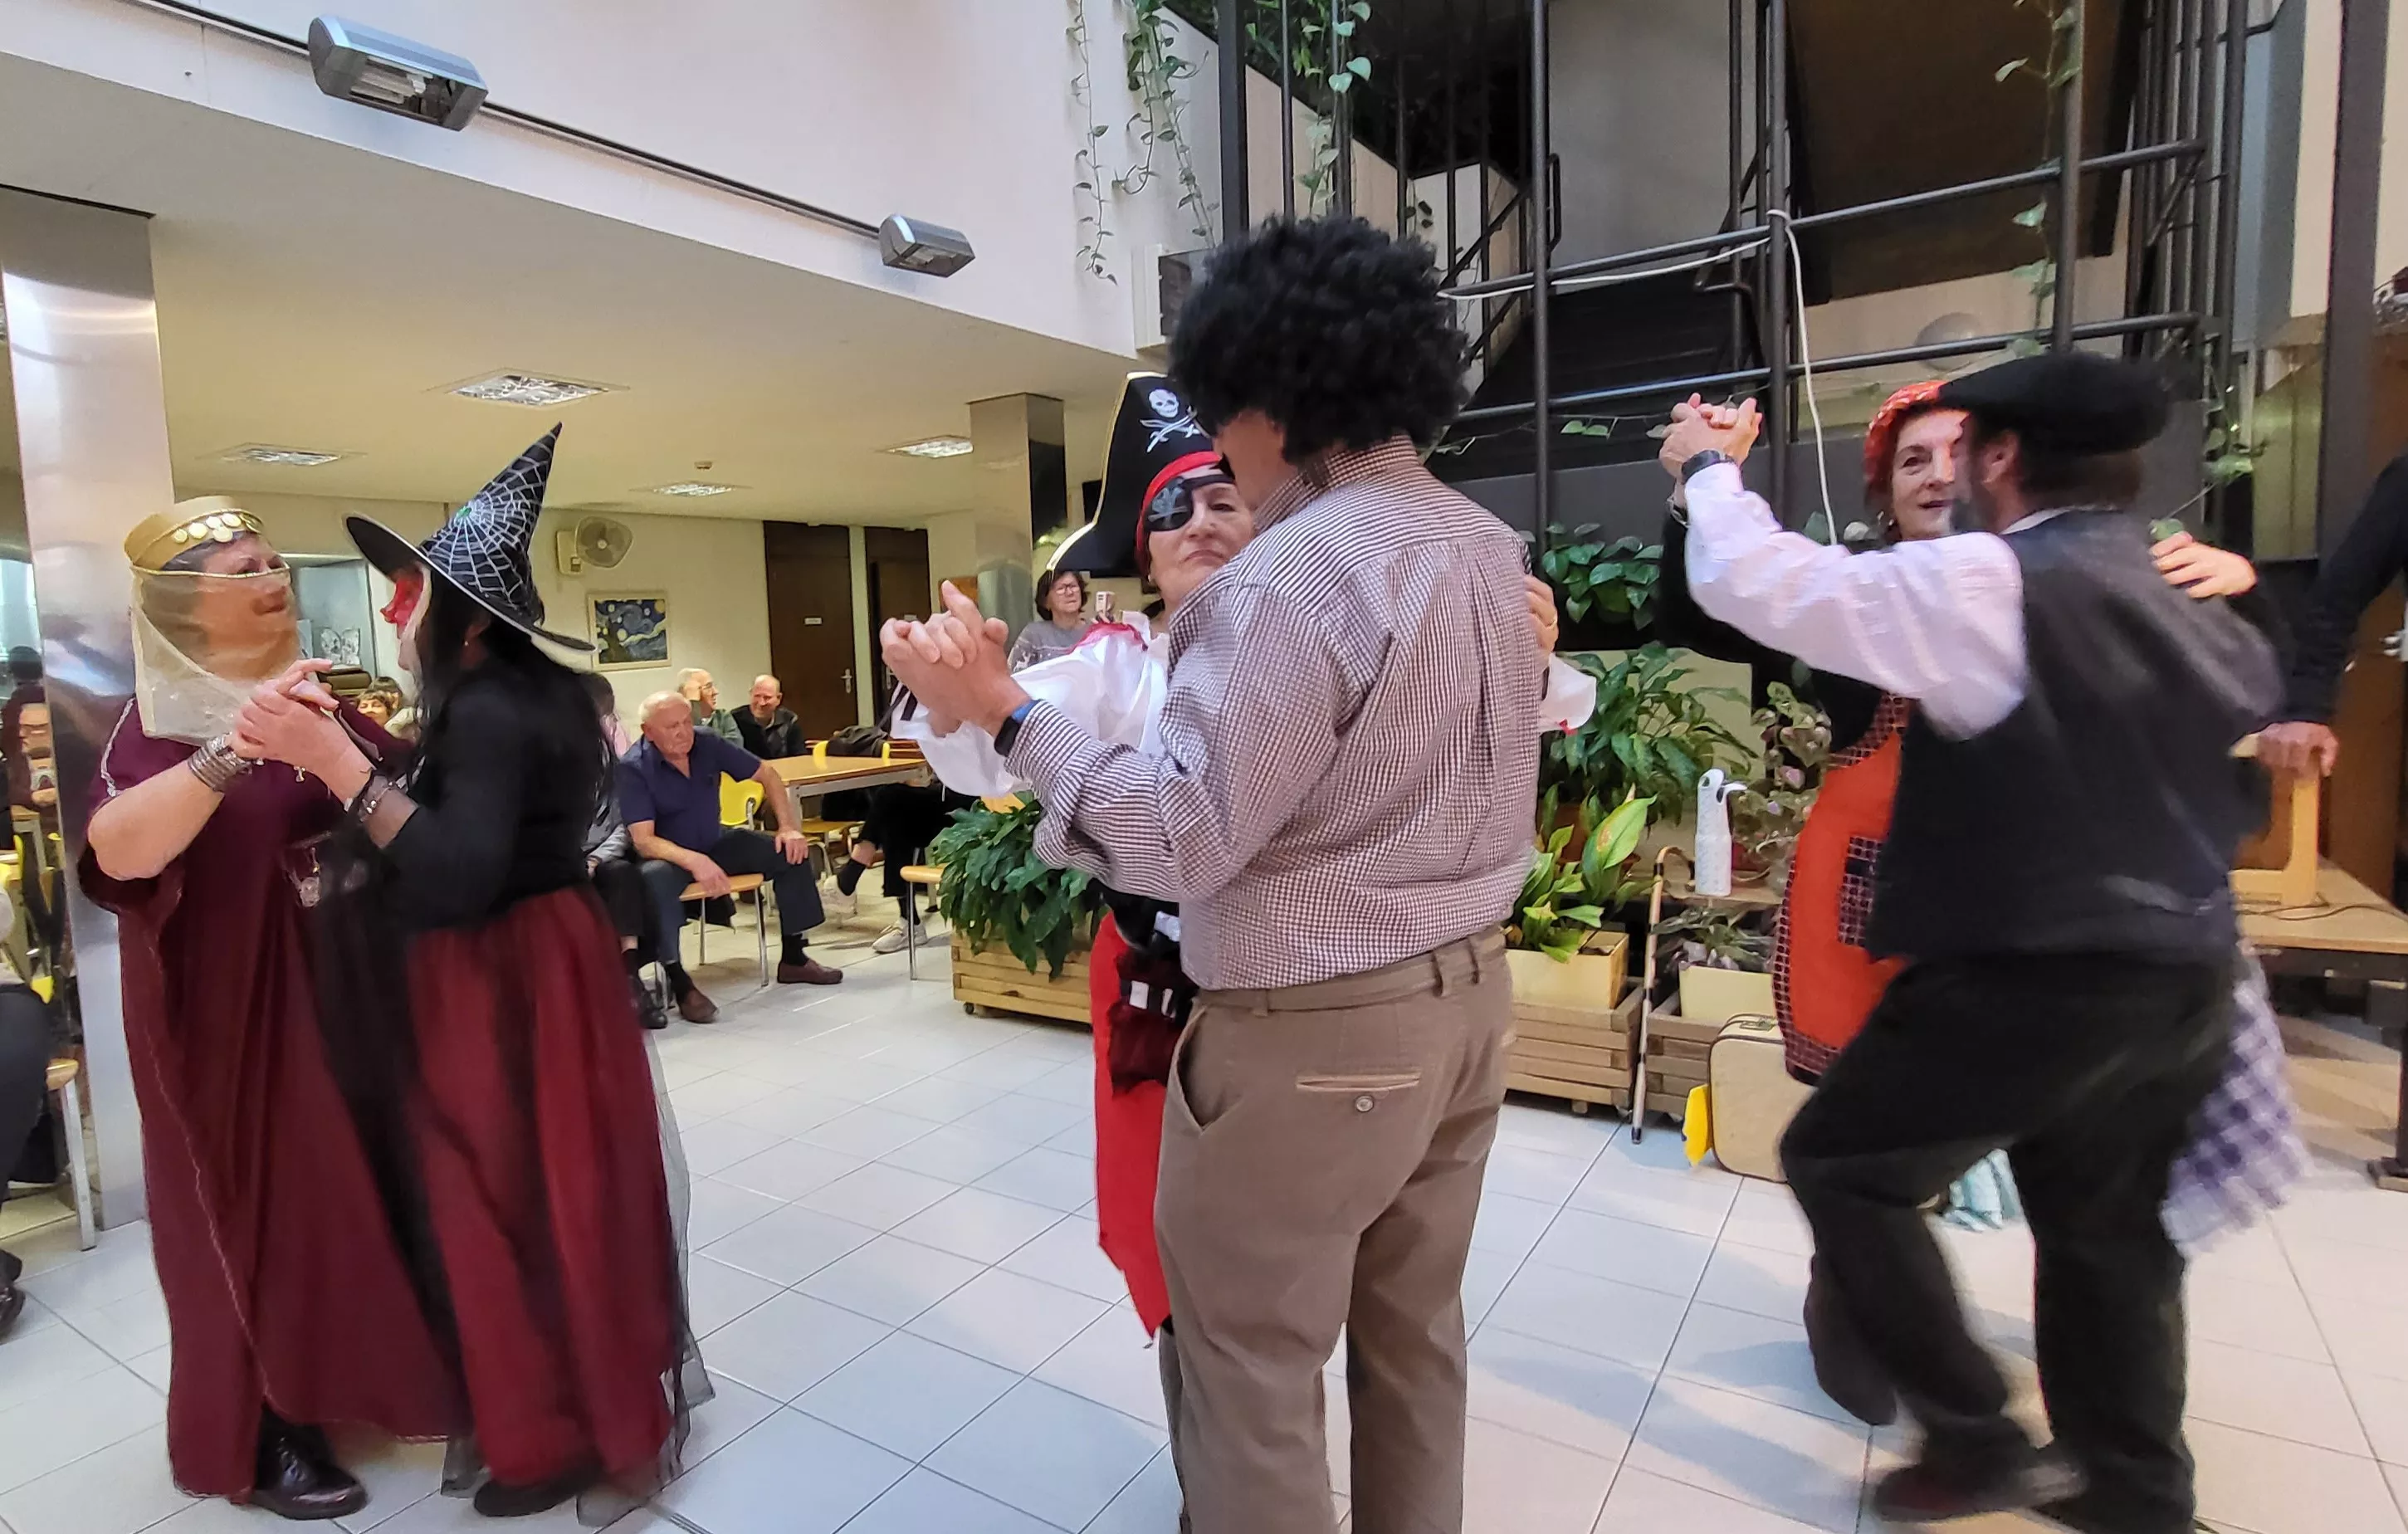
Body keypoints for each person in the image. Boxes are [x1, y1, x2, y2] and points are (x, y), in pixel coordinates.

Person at [884, 217, 1540, 1534]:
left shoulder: (1289, 577)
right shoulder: (1481, 544)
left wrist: (1005, 708)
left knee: (1249, 1364)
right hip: (1469, 1004)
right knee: (1415, 1333)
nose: (1217, 472)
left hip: (1314, 1033)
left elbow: (1183, 835)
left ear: (1262, 396)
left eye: (1220, 434)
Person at [1666, 353, 2278, 1531]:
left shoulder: (1989, 580)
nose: (1947, 476)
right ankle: (2136, 1491)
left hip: (2035, 965)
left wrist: (1706, 470)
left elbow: (1756, 580)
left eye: (1963, 452)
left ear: (2002, 457)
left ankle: (1974, 1434)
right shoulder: (2182, 586)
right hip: (2190, 971)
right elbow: (2259, 705)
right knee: (2108, 1231)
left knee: (1844, 1161)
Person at [232, 426, 697, 1519]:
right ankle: (579, 1407)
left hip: (502, 977)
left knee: (499, 1203)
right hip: (545, 961)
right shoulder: (532, 695)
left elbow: (453, 869)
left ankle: (553, 1432)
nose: (395, 610)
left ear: (466, 615)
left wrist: (337, 766)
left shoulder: (485, 707)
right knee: (559, 1195)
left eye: (410, 594)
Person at [80, 496, 457, 1520]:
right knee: (239, 1205)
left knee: (344, 1192)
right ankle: (255, 1432)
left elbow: (400, 793)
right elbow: (120, 852)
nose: (270, 580)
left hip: (338, 990)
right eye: (242, 570)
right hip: (228, 1008)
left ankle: (355, 1381)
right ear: (181, 603)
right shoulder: (154, 721)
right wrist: (231, 748)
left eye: (272, 561)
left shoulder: (316, 698)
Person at [622, 690, 843, 1022]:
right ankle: (679, 981)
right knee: (653, 879)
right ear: (648, 731)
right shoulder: (633, 767)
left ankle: (794, 957)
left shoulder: (707, 742)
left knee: (790, 852)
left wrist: (787, 827)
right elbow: (644, 841)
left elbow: (767, 773)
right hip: (670, 856)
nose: (683, 732)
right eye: (671, 727)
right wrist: (694, 861)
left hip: (715, 841)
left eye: (686, 722)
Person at [581, 671, 667, 1029]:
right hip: (559, 861)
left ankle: (631, 979)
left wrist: (595, 858)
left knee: (623, 875)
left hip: (604, 856)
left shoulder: (620, 769)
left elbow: (624, 827)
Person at [1008, 568, 1094, 669]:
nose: (1070, 592)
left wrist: (1108, 627)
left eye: (1073, 586)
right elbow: (1014, 675)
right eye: (1061, 588)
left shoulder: (1096, 632)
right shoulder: (1033, 635)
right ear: (1045, 601)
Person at [734, 673, 805, 759]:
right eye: (757, 696)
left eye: (767, 698)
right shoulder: (735, 719)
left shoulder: (790, 720)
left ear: (779, 698)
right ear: (750, 694)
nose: (762, 703)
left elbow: (799, 758)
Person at [676, 667, 741, 743]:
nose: (715, 692)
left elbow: (735, 746)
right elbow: (693, 742)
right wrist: (693, 703)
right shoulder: (677, 721)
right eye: (708, 687)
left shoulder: (722, 717)